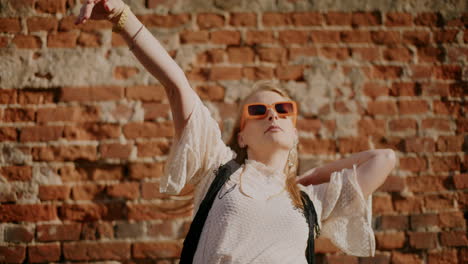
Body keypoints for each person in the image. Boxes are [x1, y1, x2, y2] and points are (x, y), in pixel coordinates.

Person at [76, 0, 397, 263]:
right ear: (241, 136)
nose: (272, 114)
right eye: (258, 111)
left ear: (295, 132)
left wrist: (310, 177)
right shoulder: (218, 168)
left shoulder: (311, 199)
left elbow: (384, 159)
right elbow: (177, 87)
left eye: (283, 110)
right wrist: (123, 17)